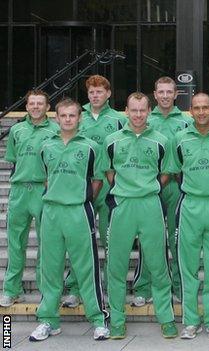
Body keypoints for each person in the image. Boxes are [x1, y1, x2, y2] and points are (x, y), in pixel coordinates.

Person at [29, 98, 109, 341]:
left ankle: (98, 319)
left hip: (78, 211)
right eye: (63, 116)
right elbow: (44, 178)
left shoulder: (90, 147)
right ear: (56, 118)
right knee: (50, 269)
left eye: (72, 116)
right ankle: (48, 320)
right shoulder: (46, 146)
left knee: (86, 268)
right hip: (52, 212)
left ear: (79, 118)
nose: (67, 119)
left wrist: (83, 199)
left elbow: (97, 179)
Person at [104, 92, 177, 339]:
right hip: (123, 206)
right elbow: (109, 172)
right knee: (116, 265)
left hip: (149, 205)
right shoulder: (112, 140)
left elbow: (166, 171)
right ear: (126, 110)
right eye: (133, 110)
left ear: (149, 111)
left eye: (142, 110)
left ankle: (166, 318)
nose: (137, 115)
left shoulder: (160, 140)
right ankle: (116, 320)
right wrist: (126, 188)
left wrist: (147, 186)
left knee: (158, 264)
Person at [170, 93, 209, 340]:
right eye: (197, 108)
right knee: (188, 267)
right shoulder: (180, 139)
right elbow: (176, 172)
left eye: (206, 107)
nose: (202, 112)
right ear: (191, 111)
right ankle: (190, 321)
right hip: (191, 206)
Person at [62, 74, 127, 308]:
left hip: (109, 188)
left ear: (108, 94)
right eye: (91, 92)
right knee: (79, 243)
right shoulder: (79, 116)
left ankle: (111, 288)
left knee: (111, 241)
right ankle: (76, 288)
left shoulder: (119, 119)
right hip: (81, 189)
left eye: (100, 91)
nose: (95, 95)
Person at [131, 76, 193, 306]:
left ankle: (178, 286)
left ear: (177, 94)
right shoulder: (145, 118)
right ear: (154, 95)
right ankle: (144, 287)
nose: (165, 96)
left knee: (177, 240)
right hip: (149, 188)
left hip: (175, 186)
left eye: (170, 92)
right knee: (149, 240)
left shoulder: (186, 121)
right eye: (161, 92)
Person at [0, 90, 59, 307]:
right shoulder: (16, 130)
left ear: (47, 107)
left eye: (39, 103)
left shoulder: (55, 130)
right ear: (26, 107)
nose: (35, 107)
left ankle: (46, 289)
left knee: (47, 243)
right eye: (32, 104)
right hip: (19, 191)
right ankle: (12, 289)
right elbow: (13, 159)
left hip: (43, 190)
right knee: (15, 243)